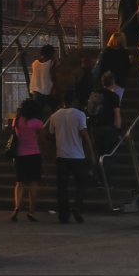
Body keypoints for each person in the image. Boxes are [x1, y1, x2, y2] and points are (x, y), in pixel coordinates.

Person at [49, 90, 95, 223]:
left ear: (63, 101)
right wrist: (91, 154)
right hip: (77, 155)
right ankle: (77, 205)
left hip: (61, 155)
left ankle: (63, 215)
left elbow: (52, 137)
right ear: (74, 101)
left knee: (62, 187)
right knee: (83, 182)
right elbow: (85, 136)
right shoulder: (79, 115)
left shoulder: (54, 116)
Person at [10, 98, 48, 221]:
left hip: (20, 154)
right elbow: (42, 140)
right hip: (34, 154)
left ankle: (16, 207)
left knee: (20, 182)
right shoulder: (37, 123)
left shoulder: (16, 121)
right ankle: (31, 210)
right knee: (33, 182)